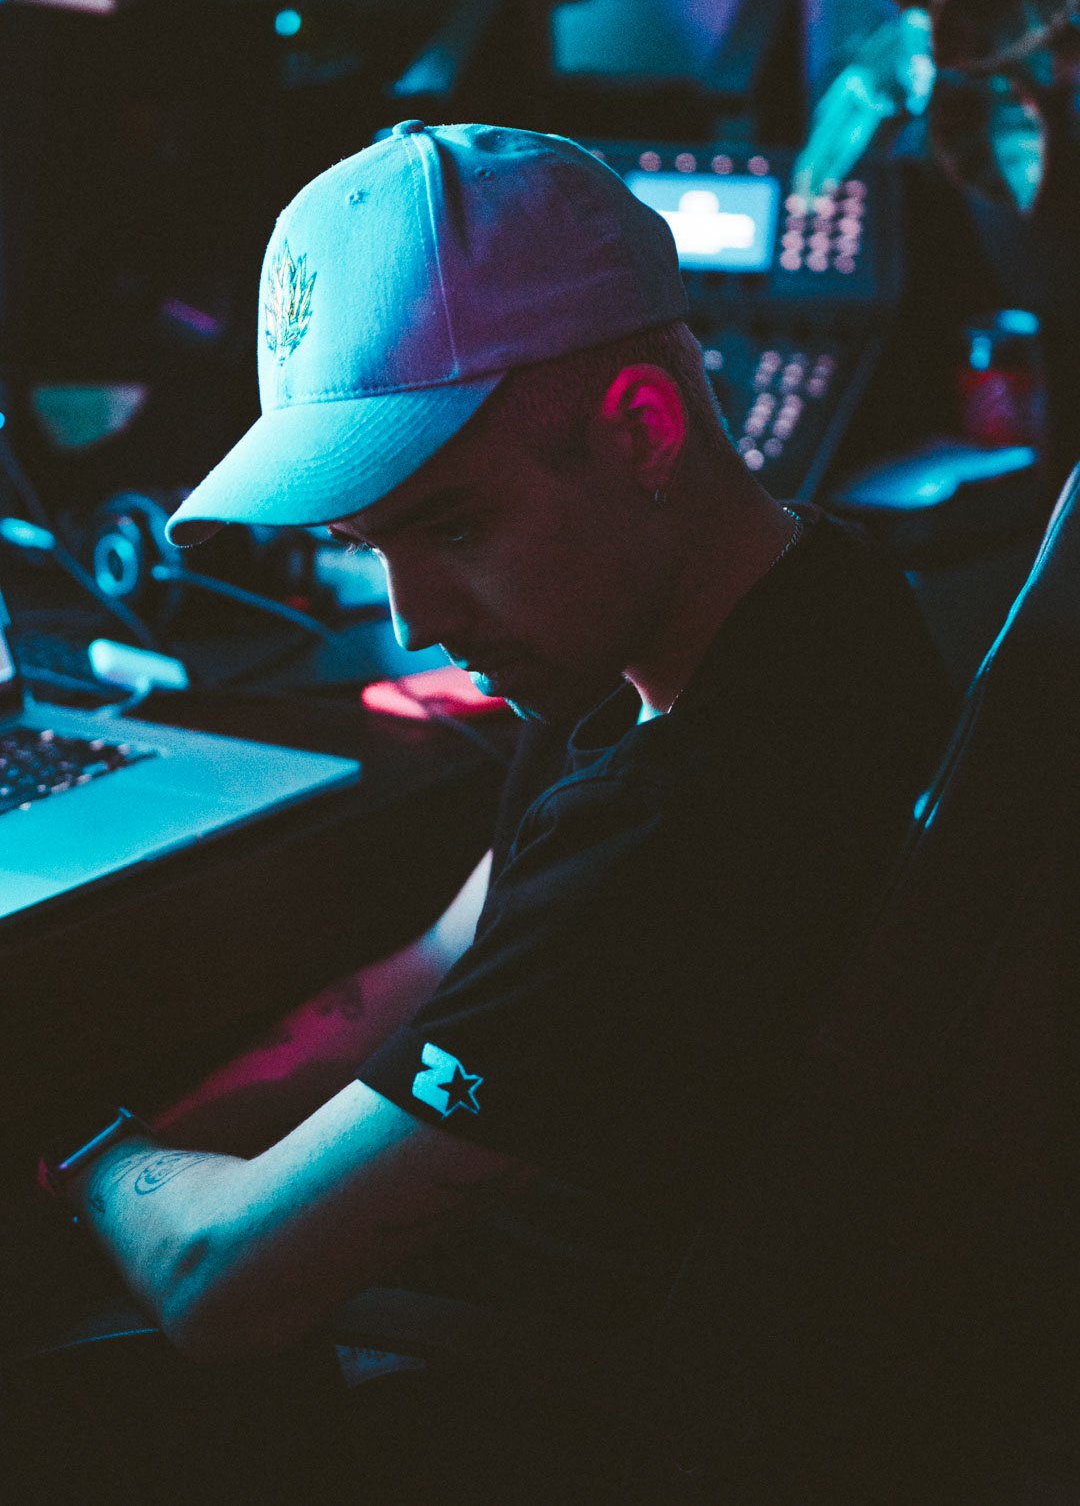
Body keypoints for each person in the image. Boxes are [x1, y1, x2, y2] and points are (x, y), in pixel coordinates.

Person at [30, 122, 954, 1496]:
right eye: (373, 545)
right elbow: (436, 963)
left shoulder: (685, 819)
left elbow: (226, 1285)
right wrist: (189, 1128)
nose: (415, 619)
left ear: (642, 425)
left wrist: (83, 1158)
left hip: (523, 1399)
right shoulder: (783, 610)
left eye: (453, 527)